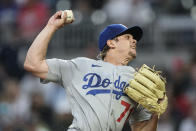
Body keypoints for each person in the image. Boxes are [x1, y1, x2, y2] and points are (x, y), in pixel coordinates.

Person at [24, 10, 159, 131]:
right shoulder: (81, 66)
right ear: (111, 43)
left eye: (134, 39)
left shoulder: (137, 80)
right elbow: (33, 64)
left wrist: (155, 113)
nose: (134, 41)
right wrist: (51, 26)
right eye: (128, 37)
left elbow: (140, 129)